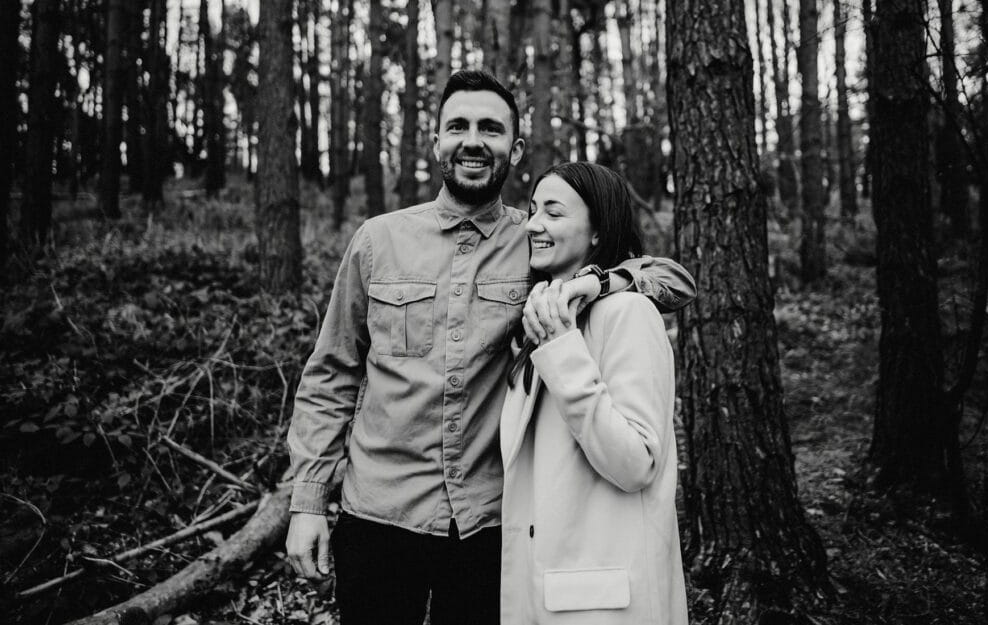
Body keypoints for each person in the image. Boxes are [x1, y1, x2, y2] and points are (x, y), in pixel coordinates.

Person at [285, 70, 695, 625]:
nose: (472, 140)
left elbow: (672, 279)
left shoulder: (537, 240)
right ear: (436, 143)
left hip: (490, 526)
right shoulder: (378, 241)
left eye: (490, 128)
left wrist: (601, 282)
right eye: (457, 126)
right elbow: (331, 373)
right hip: (378, 516)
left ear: (514, 148)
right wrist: (308, 502)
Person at [500, 162, 689, 624]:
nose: (534, 224)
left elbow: (636, 461)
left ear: (598, 231)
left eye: (553, 212)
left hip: (604, 603)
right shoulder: (543, 319)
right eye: (531, 209)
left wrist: (564, 353)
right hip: (540, 591)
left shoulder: (627, 314)